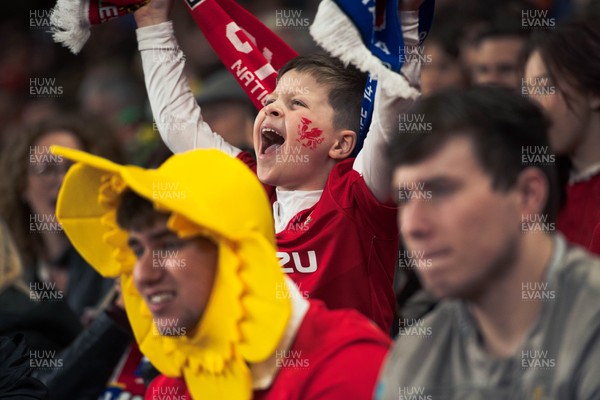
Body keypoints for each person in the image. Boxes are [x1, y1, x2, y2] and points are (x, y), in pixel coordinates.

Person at [129, 0, 423, 333]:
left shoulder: (358, 195)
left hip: (351, 379)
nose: (270, 110)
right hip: (268, 380)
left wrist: (407, 18)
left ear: (341, 144)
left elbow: (393, 107)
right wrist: (152, 22)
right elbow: (176, 125)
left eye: (296, 104)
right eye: (270, 101)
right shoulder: (251, 187)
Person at [52, 146, 392, 399]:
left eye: (168, 245)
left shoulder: (348, 366)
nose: (141, 275)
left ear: (234, 254)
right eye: (137, 249)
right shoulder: (169, 390)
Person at [375, 86, 600, 399]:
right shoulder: (413, 357)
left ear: (527, 196)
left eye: (440, 191)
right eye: (404, 198)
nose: (412, 226)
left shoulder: (591, 326)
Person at [0, 114, 122, 323]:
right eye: (47, 169)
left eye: (74, 169)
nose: (63, 180)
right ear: (21, 184)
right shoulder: (11, 276)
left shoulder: (117, 263)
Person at [523, 17, 600, 254]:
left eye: (545, 87)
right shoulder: (539, 192)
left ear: (594, 92)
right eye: (528, 91)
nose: (533, 105)